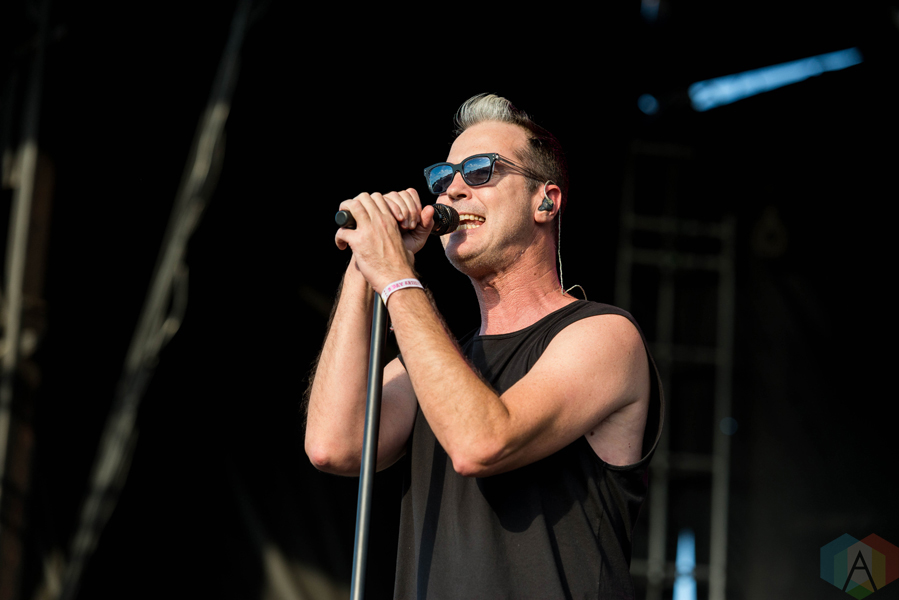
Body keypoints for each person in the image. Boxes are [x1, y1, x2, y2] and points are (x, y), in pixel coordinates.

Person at [304, 93, 663, 599]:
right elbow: (333, 446)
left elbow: (481, 443)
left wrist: (396, 277)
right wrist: (364, 266)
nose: (452, 190)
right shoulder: (433, 363)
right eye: (442, 178)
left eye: (480, 171)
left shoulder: (604, 336)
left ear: (545, 201)